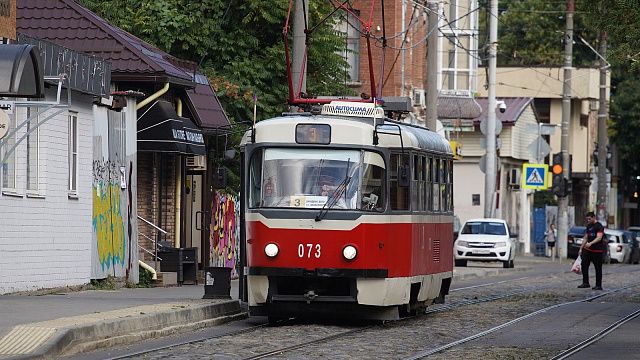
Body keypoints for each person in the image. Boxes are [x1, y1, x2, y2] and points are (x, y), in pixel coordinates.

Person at [578, 212, 605, 290]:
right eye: (587, 219)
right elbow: (586, 237)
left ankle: (598, 285)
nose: (588, 220)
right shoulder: (588, 226)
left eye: (590, 219)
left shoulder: (599, 226)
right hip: (587, 250)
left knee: (598, 268)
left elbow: (599, 238)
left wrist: (591, 243)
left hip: (597, 250)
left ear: (594, 217)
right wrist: (581, 248)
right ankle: (585, 282)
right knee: (584, 265)